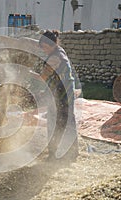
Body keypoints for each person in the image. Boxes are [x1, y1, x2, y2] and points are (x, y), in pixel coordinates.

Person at [37, 30, 79, 162]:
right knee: (64, 121)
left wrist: (30, 76)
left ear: (51, 44)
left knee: (59, 122)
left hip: (62, 94)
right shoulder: (59, 51)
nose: (44, 50)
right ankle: (66, 152)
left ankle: (58, 154)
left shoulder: (56, 57)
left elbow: (44, 76)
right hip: (61, 91)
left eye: (45, 47)